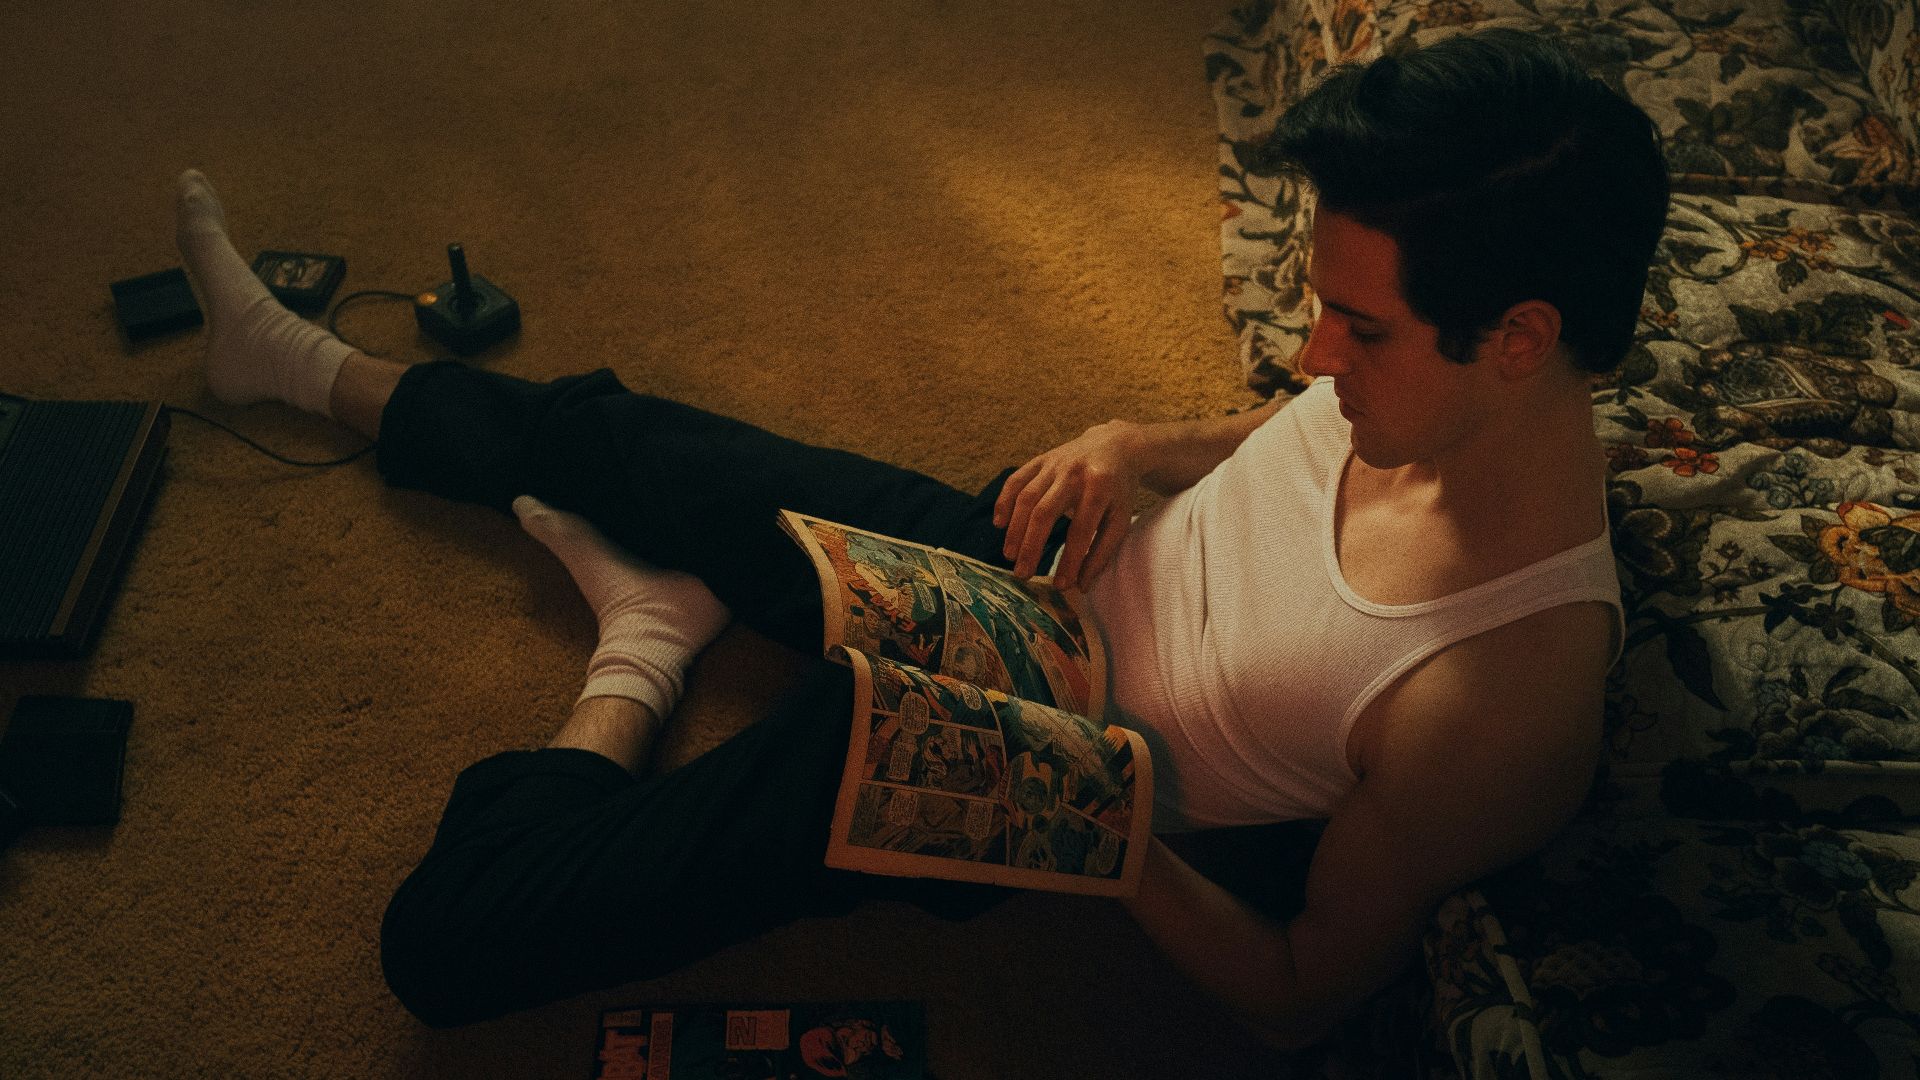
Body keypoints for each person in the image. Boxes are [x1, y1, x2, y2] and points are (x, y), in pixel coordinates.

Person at [169, 25, 1668, 1051]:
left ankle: (635, 657)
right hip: (1021, 566)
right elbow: (1288, 439)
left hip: (1005, 776)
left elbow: (1292, 998)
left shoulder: (1499, 699)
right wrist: (1135, 447)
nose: (1312, 358)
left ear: (1522, 337)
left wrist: (1092, 824)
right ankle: (299, 367)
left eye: (1359, 325)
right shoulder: (1446, 391)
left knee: (450, 943)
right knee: (634, 444)